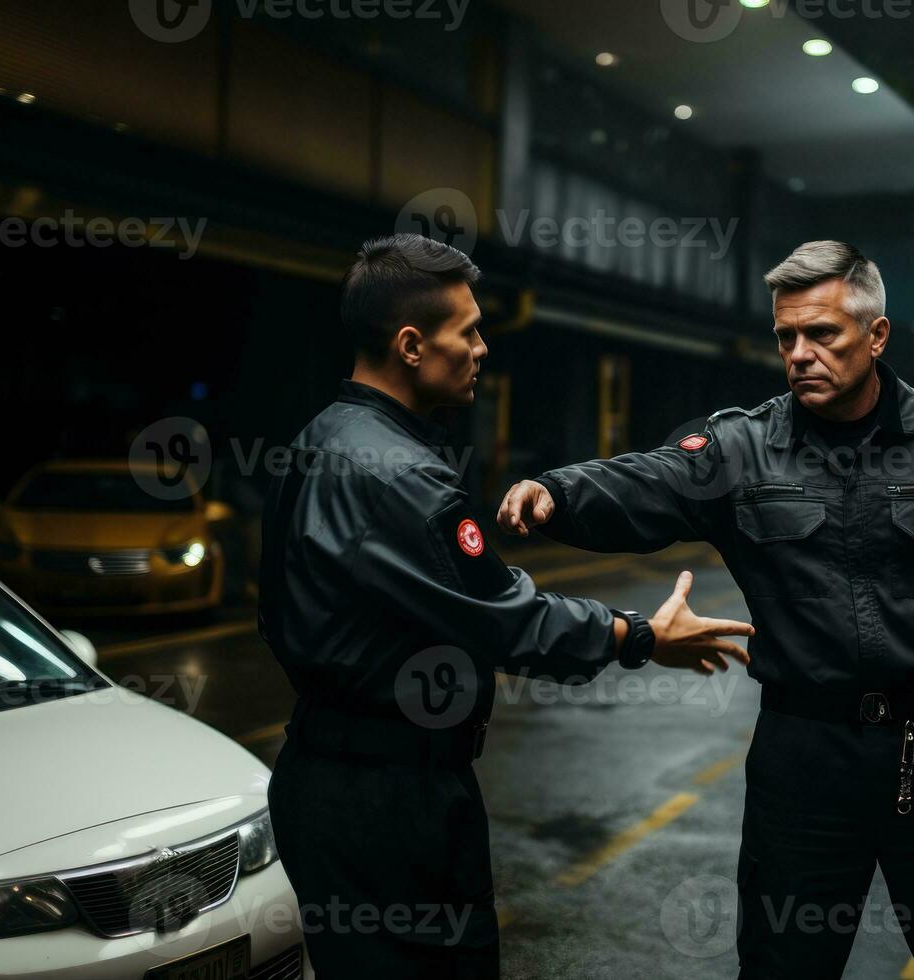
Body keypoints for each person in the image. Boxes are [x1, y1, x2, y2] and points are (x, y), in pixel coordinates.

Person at [498, 241, 914, 979]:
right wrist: (559, 492)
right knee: (783, 965)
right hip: (803, 761)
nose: (800, 354)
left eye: (822, 335)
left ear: (876, 336)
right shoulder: (741, 447)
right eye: (785, 338)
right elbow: (649, 481)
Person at [260, 233, 754, 978]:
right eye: (468, 331)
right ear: (410, 345)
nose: (483, 348)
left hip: (323, 779)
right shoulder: (403, 477)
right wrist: (641, 636)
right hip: (392, 798)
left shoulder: (319, 439)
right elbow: (508, 621)